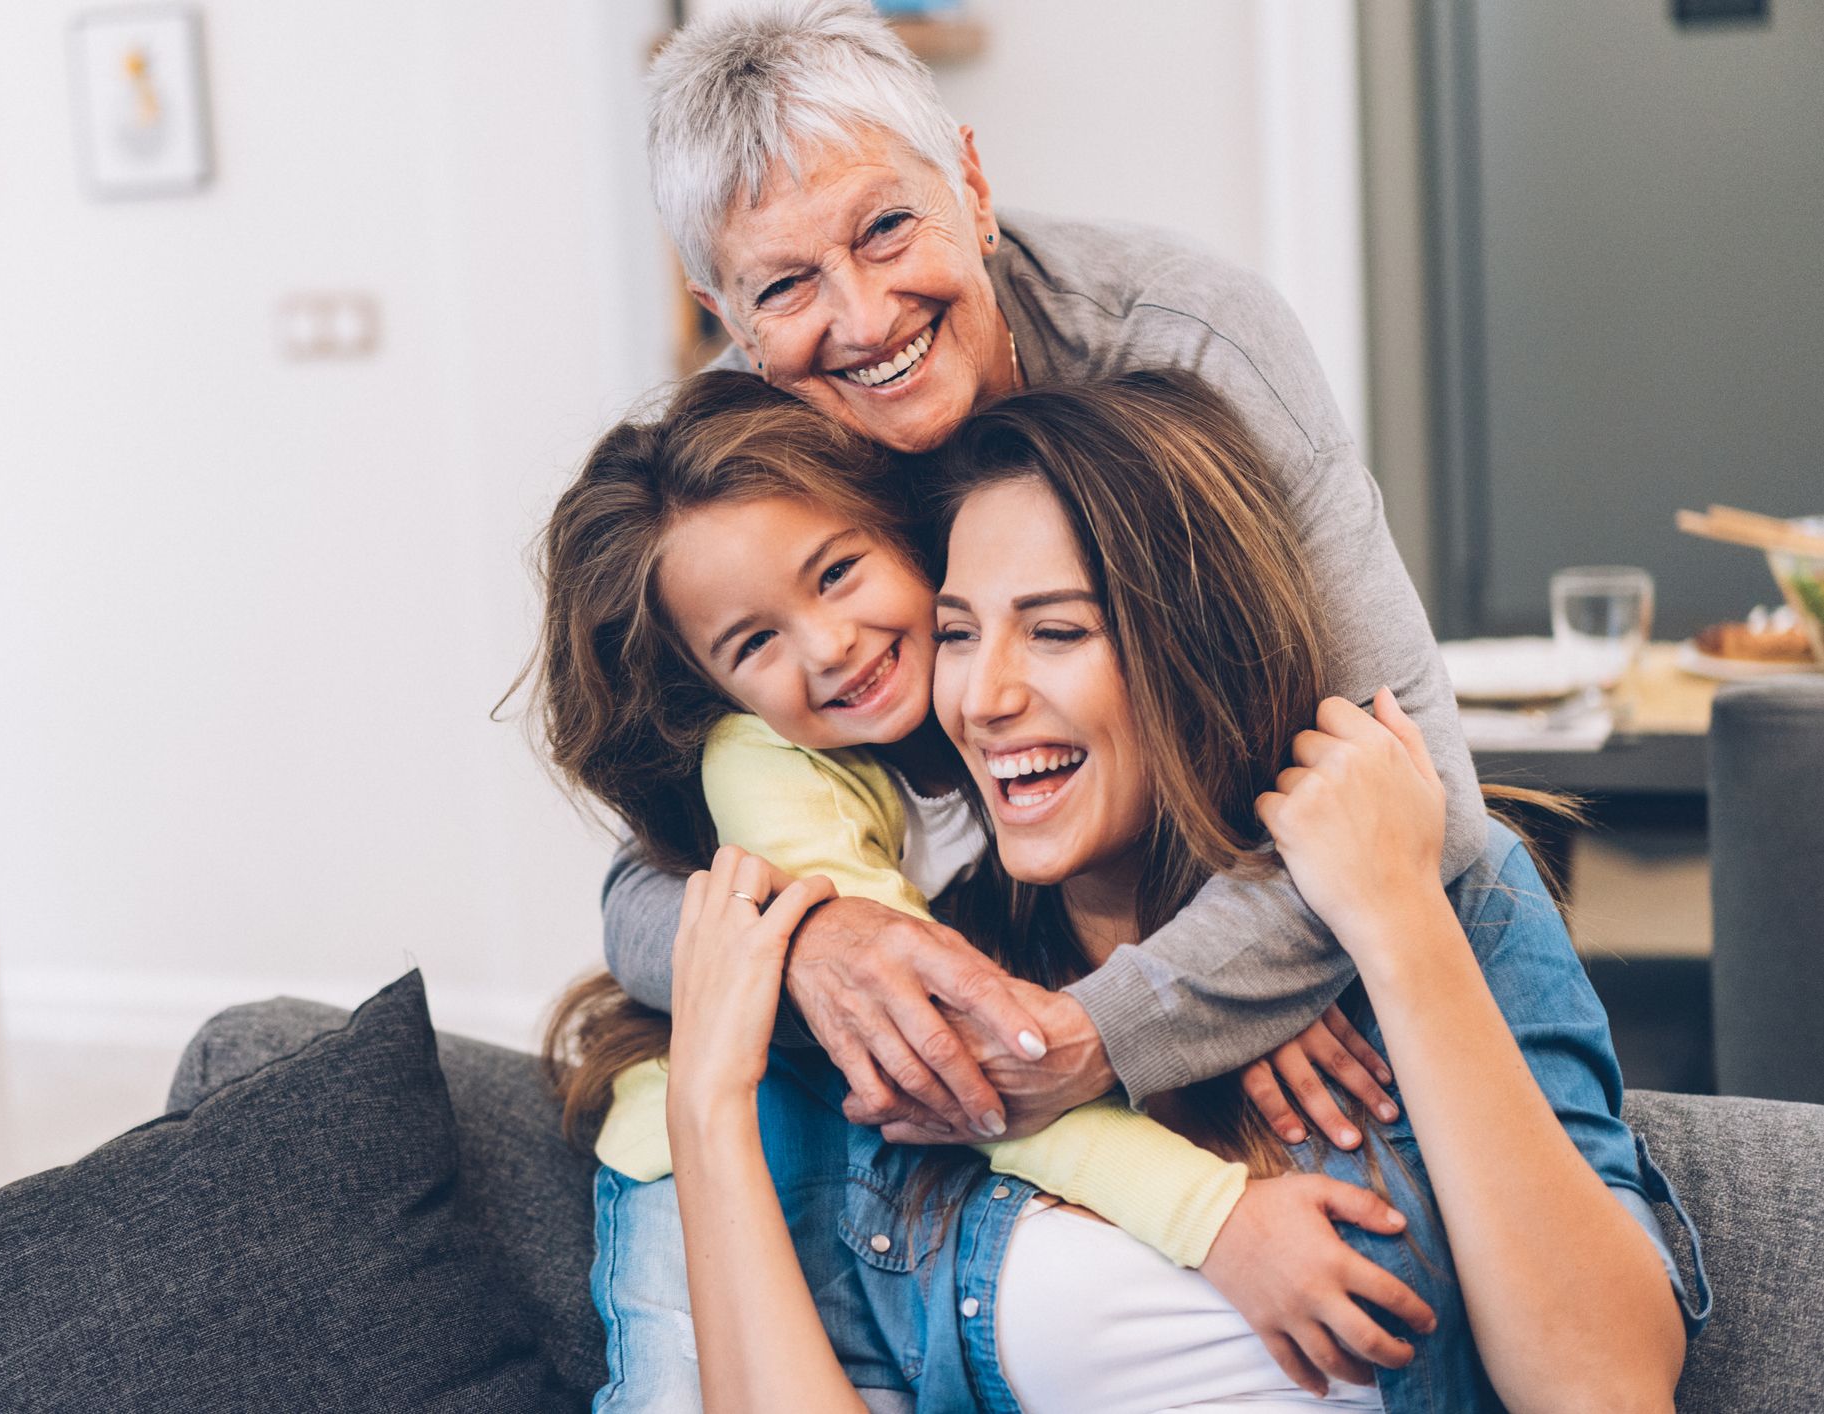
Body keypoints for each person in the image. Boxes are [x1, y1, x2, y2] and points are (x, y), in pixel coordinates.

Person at [652, 373, 1703, 1412]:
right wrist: (707, 1107)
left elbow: (1605, 1389)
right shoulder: (940, 987)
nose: (983, 697)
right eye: (961, 632)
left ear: (1193, 647)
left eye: (1057, 632)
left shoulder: (1448, 901)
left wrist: (1396, 922)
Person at [604, 0, 1484, 1151]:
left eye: (883, 229)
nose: (863, 319)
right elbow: (638, 894)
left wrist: (1124, 1017)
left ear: (970, 185)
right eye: (784, 288)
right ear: (728, 321)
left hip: (1244, 967)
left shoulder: (1190, 343)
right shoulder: (734, 471)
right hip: (992, 985)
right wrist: (813, 944)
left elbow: (1428, 800)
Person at [530, 370, 1432, 1407]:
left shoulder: (987, 706)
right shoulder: (769, 767)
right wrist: (1215, 1218)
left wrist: (1246, 992)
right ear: (714, 687)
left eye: (836, 573)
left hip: (885, 1144)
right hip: (708, 1156)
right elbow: (954, 1054)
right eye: (754, 642)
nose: (829, 647)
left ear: (904, 532)